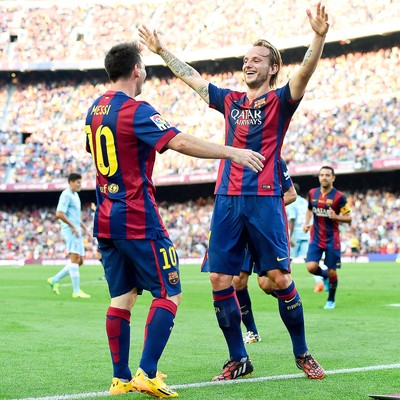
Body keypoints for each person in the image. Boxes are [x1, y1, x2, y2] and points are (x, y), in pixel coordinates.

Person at [139, 2, 329, 381]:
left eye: (257, 59)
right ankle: (239, 357)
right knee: (219, 280)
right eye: (246, 59)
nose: (248, 64)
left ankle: (302, 352)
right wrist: (161, 52)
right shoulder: (230, 101)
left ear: (272, 67)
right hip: (227, 199)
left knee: (279, 279)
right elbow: (192, 78)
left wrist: (318, 36)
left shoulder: (280, 101)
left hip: (264, 200)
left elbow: (305, 71)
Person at [85, 42, 265, 397]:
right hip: (137, 216)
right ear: (137, 69)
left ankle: (120, 379)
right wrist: (233, 152)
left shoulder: (94, 109)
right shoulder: (136, 110)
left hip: (105, 216)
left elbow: (96, 152)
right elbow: (178, 141)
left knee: (122, 297)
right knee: (169, 292)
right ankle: (147, 373)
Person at [234, 158, 297, 344]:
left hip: (265, 228)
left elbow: (291, 194)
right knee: (237, 280)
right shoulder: (235, 156)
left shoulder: (275, 160)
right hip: (242, 227)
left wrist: (265, 210)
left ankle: (291, 304)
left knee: (267, 285)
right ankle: (252, 331)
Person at [303, 166, 352, 310]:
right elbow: (310, 209)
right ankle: (323, 276)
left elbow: (349, 218)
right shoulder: (313, 193)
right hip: (316, 238)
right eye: (322, 175)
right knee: (311, 267)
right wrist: (307, 223)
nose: (324, 177)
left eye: (327, 175)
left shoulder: (339, 197)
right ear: (319, 177)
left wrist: (335, 216)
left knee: (332, 271)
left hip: (332, 239)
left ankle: (331, 299)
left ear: (333, 178)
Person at [47, 173, 91, 299]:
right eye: (78, 182)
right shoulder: (66, 195)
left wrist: (84, 228)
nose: (80, 185)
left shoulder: (76, 195)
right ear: (71, 182)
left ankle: (54, 279)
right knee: (74, 259)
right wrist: (72, 226)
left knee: (80, 260)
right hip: (70, 230)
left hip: (77, 229)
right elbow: (59, 213)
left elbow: (76, 216)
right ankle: (76, 291)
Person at [286, 183, 324, 293]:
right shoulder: (304, 201)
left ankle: (287, 286)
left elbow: (292, 219)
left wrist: (290, 236)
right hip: (306, 233)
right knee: (308, 260)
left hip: (296, 234)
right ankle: (320, 281)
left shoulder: (291, 202)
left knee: (288, 260)